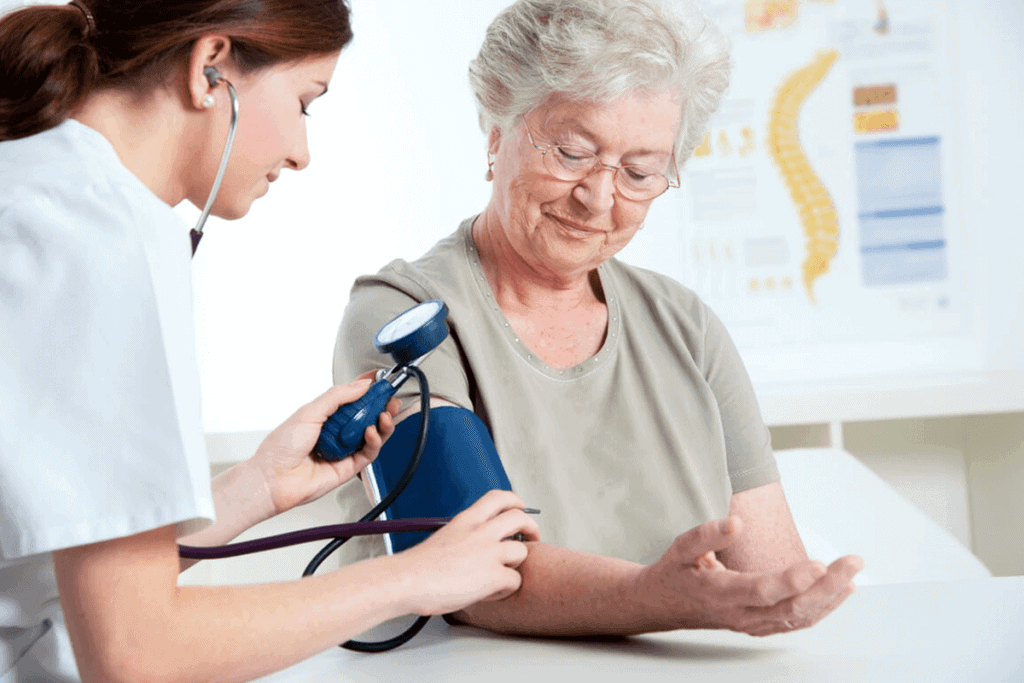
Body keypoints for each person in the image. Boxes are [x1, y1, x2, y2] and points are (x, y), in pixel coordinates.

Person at [0, 1, 539, 681]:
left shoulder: (38, 187)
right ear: (211, 68)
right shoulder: (107, 234)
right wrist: (414, 577)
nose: (302, 153)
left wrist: (258, 484)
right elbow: (134, 651)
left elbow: (47, 569)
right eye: (305, 102)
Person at [334, 0, 864, 638]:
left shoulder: (685, 327)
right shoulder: (403, 313)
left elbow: (770, 578)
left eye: (640, 172)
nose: (599, 198)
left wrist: (790, 599)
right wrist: (658, 597)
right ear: (497, 129)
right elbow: (470, 573)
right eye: (572, 153)